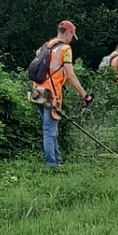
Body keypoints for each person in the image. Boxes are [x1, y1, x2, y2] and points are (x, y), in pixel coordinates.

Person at [31, 20, 92, 166]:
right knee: (49, 131)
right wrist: (84, 95)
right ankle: (52, 166)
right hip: (52, 95)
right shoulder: (65, 49)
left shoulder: (45, 46)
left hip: (37, 93)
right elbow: (70, 76)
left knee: (50, 130)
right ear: (68, 32)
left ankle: (57, 161)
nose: (72, 39)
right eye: (72, 35)